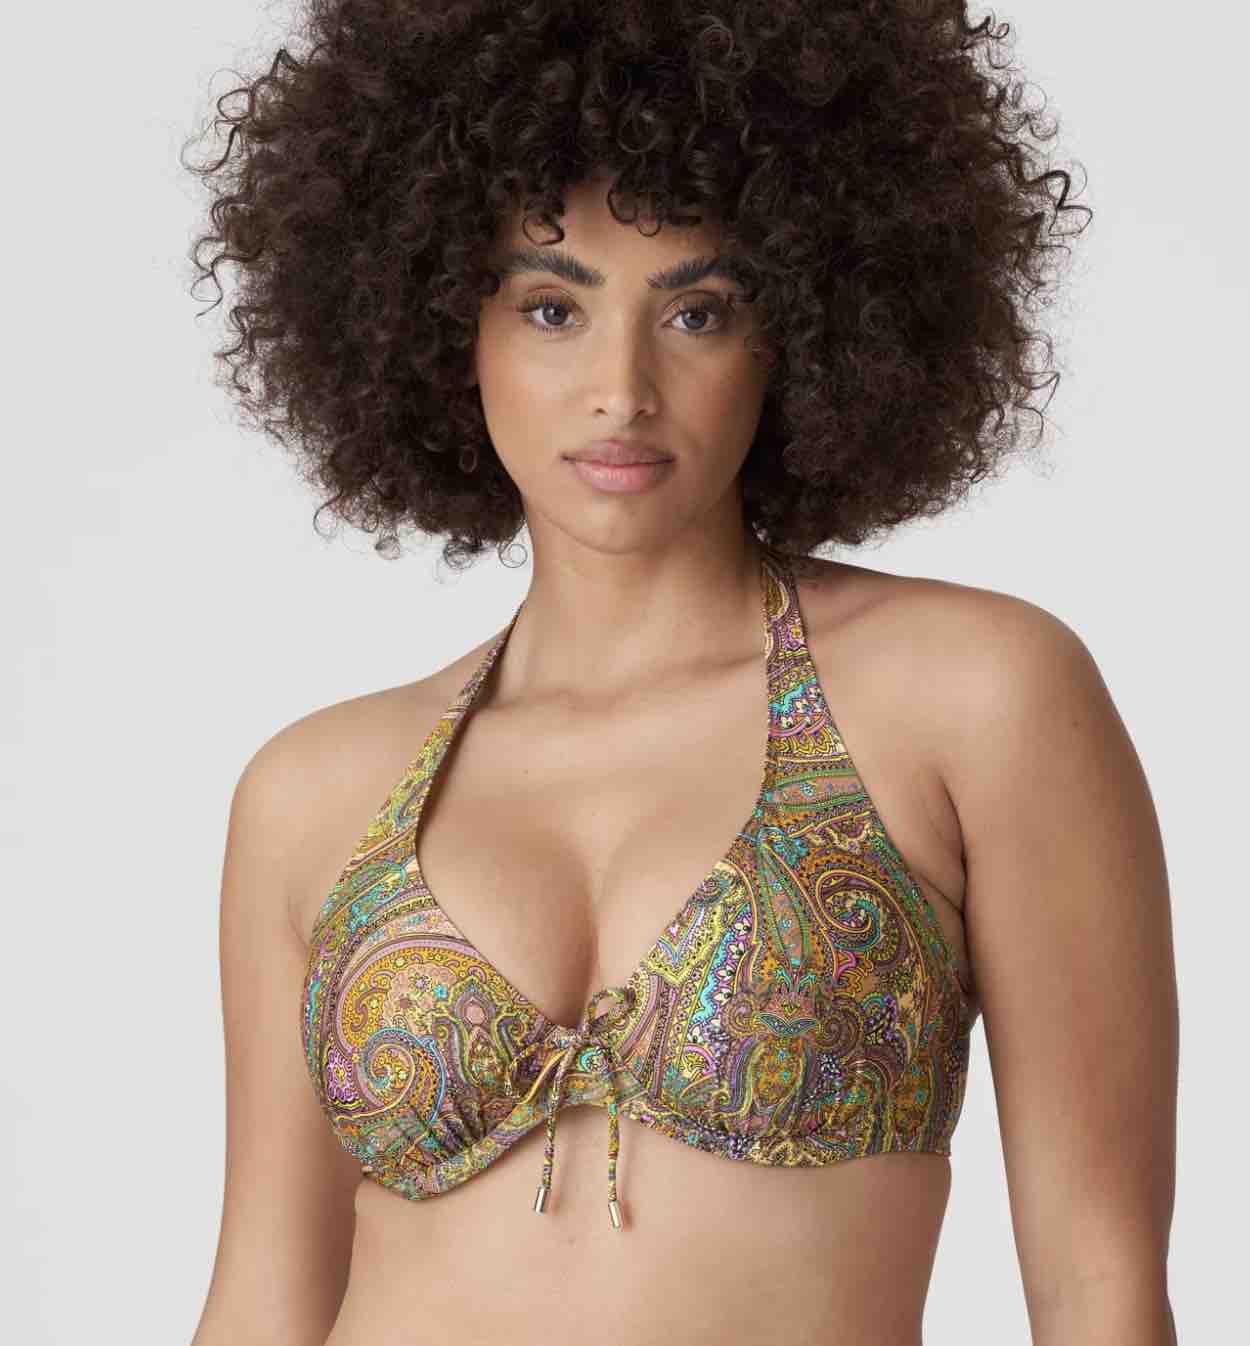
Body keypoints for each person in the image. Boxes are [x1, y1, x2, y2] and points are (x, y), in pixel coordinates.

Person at [183, 2, 1178, 1344]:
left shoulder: (974, 696)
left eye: (698, 312)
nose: (623, 388)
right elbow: (261, 1300)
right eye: (551, 307)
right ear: (439, 330)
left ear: (803, 330)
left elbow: (1100, 1290)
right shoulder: (314, 790)